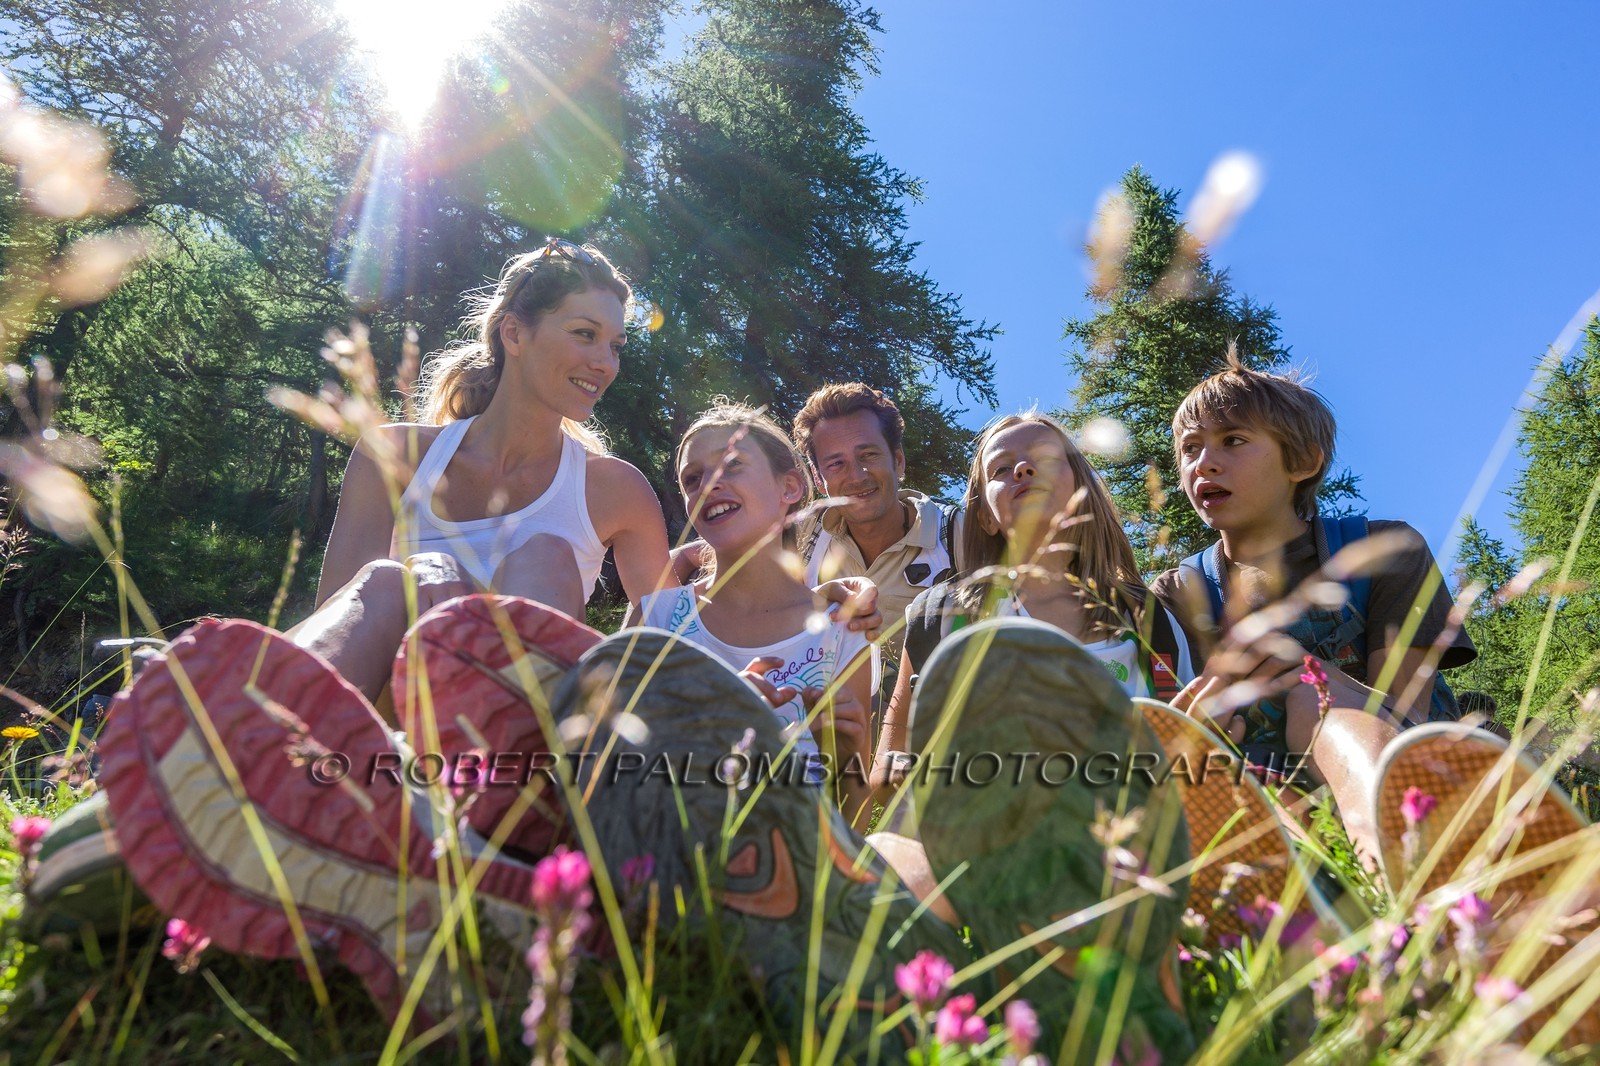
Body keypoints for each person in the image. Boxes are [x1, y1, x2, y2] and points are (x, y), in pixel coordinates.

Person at [291, 238, 674, 705]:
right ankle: (250, 737)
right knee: (385, 582)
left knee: (546, 558)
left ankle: (497, 765)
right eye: (584, 334)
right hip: (381, 717)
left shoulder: (617, 490)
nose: (605, 363)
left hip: (525, 747)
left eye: (616, 346)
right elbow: (337, 614)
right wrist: (420, 572)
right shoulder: (393, 454)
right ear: (513, 334)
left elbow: (672, 645)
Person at [1150, 347, 1475, 861]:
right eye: (1190, 448)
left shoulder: (1384, 551)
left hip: (1401, 768)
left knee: (1311, 700)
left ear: (1302, 462)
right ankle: (1327, 899)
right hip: (1260, 792)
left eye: (1233, 441)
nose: (1203, 462)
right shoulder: (1176, 592)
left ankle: (1396, 857)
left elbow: (1406, 713)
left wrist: (1309, 673)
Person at [872, 411, 1195, 801]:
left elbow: (1189, 758)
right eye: (1002, 469)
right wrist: (903, 773)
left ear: (1083, 492)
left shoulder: (1149, 620)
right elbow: (886, 766)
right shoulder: (942, 615)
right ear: (985, 518)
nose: (1023, 469)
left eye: (1043, 460)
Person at [636, 403, 878, 827]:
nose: (709, 484)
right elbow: (608, 771)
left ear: (790, 487)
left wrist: (842, 745)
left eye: (732, 465)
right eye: (693, 479)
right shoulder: (656, 620)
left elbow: (853, 817)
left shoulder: (840, 629)